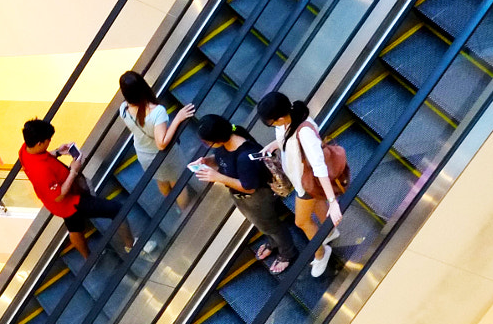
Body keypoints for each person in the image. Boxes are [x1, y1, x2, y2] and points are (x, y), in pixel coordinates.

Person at [191, 115, 303, 274]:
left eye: (207, 142)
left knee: (271, 226)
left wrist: (218, 177)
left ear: (218, 138)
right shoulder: (227, 143)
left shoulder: (245, 157)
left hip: (255, 198)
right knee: (263, 225)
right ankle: (273, 242)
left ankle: (288, 253)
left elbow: (249, 187)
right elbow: (222, 158)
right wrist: (207, 161)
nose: (207, 145)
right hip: (242, 198)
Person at [257, 91, 343, 277]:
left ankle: (321, 253)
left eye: (272, 122)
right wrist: (274, 145)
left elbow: (319, 167)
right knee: (317, 204)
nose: (272, 126)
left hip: (308, 182)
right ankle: (330, 232)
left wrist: (333, 201)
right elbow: (286, 137)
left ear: (279, 117)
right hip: (301, 179)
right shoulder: (289, 118)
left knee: (301, 221)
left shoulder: (304, 132)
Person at [19, 118, 130, 260]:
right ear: (39, 143)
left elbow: (43, 156)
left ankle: (88, 258)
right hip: (71, 202)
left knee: (74, 228)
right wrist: (73, 171)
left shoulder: (24, 151)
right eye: (48, 140)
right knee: (116, 209)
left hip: (58, 206)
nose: (50, 142)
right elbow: (59, 195)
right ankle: (130, 245)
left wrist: (58, 152)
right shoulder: (40, 171)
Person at [118, 71, 195, 201]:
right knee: (177, 183)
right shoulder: (156, 112)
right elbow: (161, 143)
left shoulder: (123, 109)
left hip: (144, 154)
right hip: (165, 157)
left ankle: (170, 205)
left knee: (161, 181)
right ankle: (184, 211)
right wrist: (178, 118)